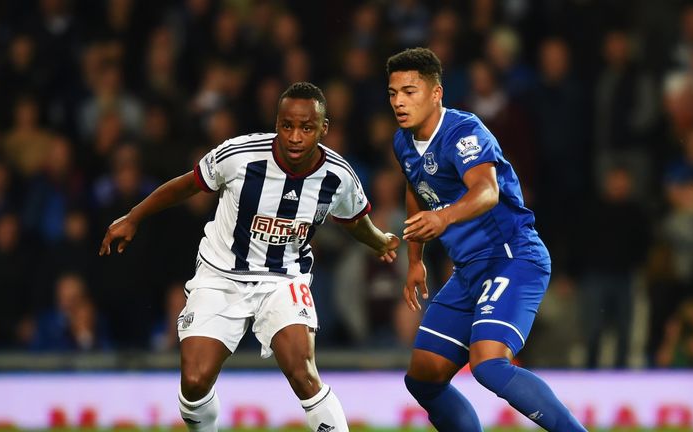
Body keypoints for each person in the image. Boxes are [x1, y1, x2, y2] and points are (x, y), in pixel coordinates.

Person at [99, 82, 399, 432]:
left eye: (306, 127)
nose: (296, 137)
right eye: (287, 126)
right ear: (277, 123)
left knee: (304, 372)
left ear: (323, 128)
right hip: (221, 274)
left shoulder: (338, 176)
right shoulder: (240, 155)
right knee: (194, 381)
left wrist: (379, 241)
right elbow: (188, 184)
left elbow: (354, 220)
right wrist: (134, 216)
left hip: (283, 279)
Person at [386, 47, 586, 431]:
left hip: (512, 256)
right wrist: (415, 260)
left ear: (435, 93)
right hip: (469, 270)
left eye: (409, 91)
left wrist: (443, 217)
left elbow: (486, 191)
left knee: (489, 364)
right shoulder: (403, 142)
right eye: (393, 93)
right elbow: (416, 189)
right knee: (423, 377)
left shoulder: (463, 131)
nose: (399, 101)